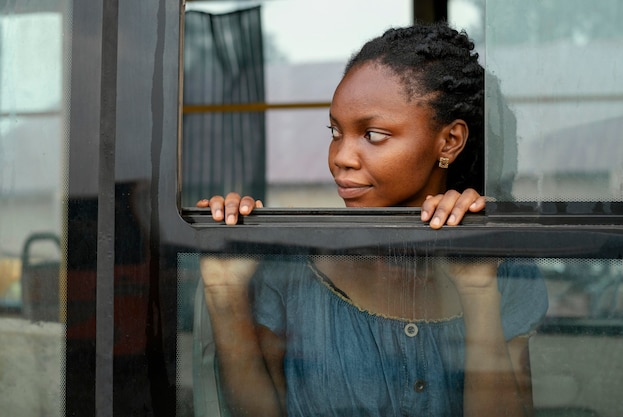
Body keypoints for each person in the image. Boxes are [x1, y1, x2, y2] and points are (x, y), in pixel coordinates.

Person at [197, 21, 547, 417]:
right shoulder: (288, 273)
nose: (340, 158)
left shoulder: (501, 263)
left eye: (373, 134)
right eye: (335, 131)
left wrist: (478, 289)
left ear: (449, 141)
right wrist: (223, 292)